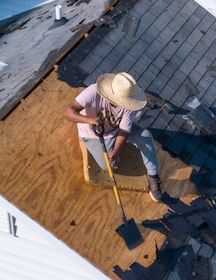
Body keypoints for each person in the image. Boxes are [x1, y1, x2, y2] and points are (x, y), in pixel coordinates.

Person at [63, 72, 163, 202]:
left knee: (145, 136)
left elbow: (124, 130)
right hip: (92, 134)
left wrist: (116, 151)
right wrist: (88, 120)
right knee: (107, 166)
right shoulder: (93, 91)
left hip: (115, 130)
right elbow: (68, 112)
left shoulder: (130, 102)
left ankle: (153, 176)